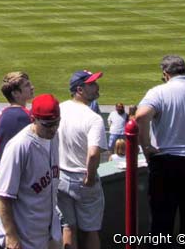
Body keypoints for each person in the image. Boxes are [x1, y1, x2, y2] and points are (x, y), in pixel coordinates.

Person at [136, 55, 185, 248]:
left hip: (167, 161)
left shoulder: (159, 92)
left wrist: (146, 147)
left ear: (165, 74)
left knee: (162, 221)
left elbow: (140, 116)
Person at [0, 94, 62, 249]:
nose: (53, 128)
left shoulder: (54, 137)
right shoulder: (19, 146)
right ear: (33, 119)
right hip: (25, 237)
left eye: (56, 123)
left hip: (50, 232)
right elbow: (2, 196)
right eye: (47, 124)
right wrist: (11, 236)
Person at [57, 70, 107, 249]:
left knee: (68, 227)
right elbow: (93, 154)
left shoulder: (60, 109)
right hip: (83, 178)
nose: (96, 87)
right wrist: (90, 177)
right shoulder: (93, 118)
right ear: (79, 89)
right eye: (91, 84)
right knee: (91, 230)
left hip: (61, 177)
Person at [0, 72, 35, 164]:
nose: (32, 87)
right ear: (15, 93)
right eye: (27, 85)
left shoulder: (4, 113)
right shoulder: (23, 116)